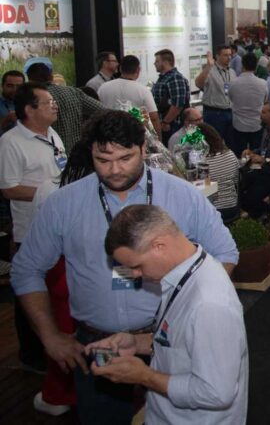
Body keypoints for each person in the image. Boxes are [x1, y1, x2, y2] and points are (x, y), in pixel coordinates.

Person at [11, 110, 238, 424]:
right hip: (100, 342)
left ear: (143, 149)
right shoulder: (64, 203)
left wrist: (193, 310)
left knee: (176, 413)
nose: (114, 169)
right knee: (102, 416)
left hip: (166, 340)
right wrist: (49, 336)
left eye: (125, 158)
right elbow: (26, 270)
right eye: (103, 160)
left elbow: (225, 252)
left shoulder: (181, 194)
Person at [88, 204, 248, 424]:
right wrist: (136, 343)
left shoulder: (209, 304)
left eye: (137, 266)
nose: (134, 275)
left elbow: (216, 393)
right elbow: (184, 341)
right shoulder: (185, 273)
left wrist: (144, 376)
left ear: (159, 246)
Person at [0, 82, 66, 375]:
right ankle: (30, 354)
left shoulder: (52, 134)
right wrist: (50, 193)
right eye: (49, 102)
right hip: (30, 231)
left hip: (57, 226)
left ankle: (52, 345)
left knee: (52, 290)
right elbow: (9, 188)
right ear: (29, 109)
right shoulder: (11, 142)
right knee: (29, 291)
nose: (55, 106)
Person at [26, 61, 104, 151]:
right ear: (51, 76)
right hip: (76, 152)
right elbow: (102, 110)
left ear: (30, 80)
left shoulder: (33, 98)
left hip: (49, 152)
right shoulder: (74, 92)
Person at [97, 56, 160, 130]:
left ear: (120, 68)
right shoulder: (143, 90)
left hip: (108, 132)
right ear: (138, 70)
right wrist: (158, 136)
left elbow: (97, 113)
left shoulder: (103, 88)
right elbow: (153, 117)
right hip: (134, 133)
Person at [194, 123, 240, 222]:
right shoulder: (230, 154)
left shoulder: (203, 163)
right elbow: (236, 181)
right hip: (232, 206)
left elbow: (205, 192)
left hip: (214, 210)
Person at [227, 53, 268, 156]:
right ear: (256, 66)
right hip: (257, 124)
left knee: (240, 154)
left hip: (239, 124)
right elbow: (265, 100)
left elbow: (230, 98)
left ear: (242, 65)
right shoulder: (263, 83)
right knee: (256, 154)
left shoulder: (233, 83)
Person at [193, 45, 236, 143]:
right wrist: (208, 66)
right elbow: (198, 84)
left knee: (232, 144)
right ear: (217, 56)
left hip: (230, 112)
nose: (229, 57)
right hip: (214, 113)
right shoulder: (210, 71)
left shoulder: (232, 72)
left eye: (230, 55)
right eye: (225, 55)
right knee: (214, 143)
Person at [151, 49, 191, 145]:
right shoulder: (163, 78)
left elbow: (177, 105)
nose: (154, 63)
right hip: (163, 123)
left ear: (165, 62)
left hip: (172, 126)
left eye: (157, 61)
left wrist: (165, 122)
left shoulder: (175, 78)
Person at [1, 69, 25, 135]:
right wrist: (5, 121)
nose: (15, 90)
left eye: (19, 86)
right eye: (10, 86)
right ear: (2, 86)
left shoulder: (29, 103)